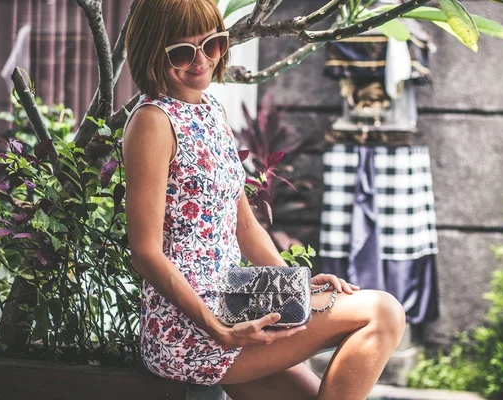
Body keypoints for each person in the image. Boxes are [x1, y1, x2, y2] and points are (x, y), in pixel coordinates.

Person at [122, 0, 406, 399]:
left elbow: (244, 225)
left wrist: (294, 289)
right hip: (190, 331)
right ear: (152, 52)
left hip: (234, 303)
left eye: (213, 45)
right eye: (183, 52)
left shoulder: (209, 110)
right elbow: (145, 252)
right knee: (382, 311)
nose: (201, 61)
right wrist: (216, 327)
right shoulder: (152, 122)